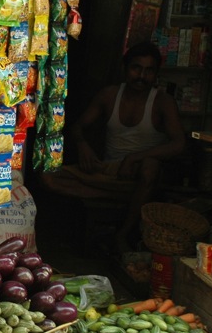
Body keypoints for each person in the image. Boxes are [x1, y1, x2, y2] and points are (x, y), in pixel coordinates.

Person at [40, 41, 186, 252]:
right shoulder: (109, 95)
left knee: (150, 168)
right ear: (125, 69)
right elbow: (77, 127)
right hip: (109, 174)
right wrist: (83, 145)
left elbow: (179, 145)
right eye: (136, 68)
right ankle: (126, 198)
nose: (141, 76)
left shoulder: (163, 102)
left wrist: (134, 158)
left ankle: (123, 234)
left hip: (139, 175)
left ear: (156, 75)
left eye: (148, 71)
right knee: (47, 177)